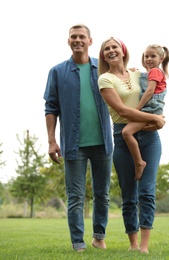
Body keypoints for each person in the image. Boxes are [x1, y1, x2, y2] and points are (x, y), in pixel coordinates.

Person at [43, 24, 113, 252]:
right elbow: (51, 107)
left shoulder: (104, 70)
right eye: (73, 37)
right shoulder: (57, 72)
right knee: (75, 196)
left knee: (102, 194)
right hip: (73, 145)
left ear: (90, 41)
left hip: (103, 142)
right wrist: (52, 140)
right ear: (68, 41)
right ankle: (78, 242)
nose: (78, 40)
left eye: (82, 36)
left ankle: (99, 236)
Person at [97, 37, 165, 254]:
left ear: (123, 50)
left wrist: (156, 118)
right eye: (106, 49)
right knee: (129, 195)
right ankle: (133, 244)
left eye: (114, 47)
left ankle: (144, 246)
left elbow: (158, 90)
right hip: (123, 136)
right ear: (103, 54)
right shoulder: (104, 80)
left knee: (147, 192)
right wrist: (153, 119)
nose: (111, 51)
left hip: (149, 137)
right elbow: (123, 111)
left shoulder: (138, 73)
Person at [122, 44, 169, 180]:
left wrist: (136, 110)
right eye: (146, 56)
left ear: (161, 58)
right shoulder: (149, 73)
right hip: (151, 109)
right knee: (130, 132)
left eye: (153, 56)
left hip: (150, 108)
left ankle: (139, 162)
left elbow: (149, 91)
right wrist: (132, 72)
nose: (149, 59)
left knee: (126, 132)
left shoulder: (155, 71)